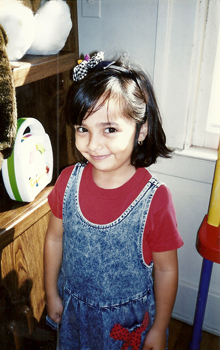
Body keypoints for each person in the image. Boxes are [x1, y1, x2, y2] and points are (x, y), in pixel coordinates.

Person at [44, 52, 183, 350]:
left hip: (126, 328)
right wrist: (51, 292)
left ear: (141, 130)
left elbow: (166, 269)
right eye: (83, 129)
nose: (92, 144)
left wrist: (160, 328)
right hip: (74, 317)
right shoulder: (68, 181)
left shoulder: (155, 200)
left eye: (109, 129)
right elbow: (55, 239)